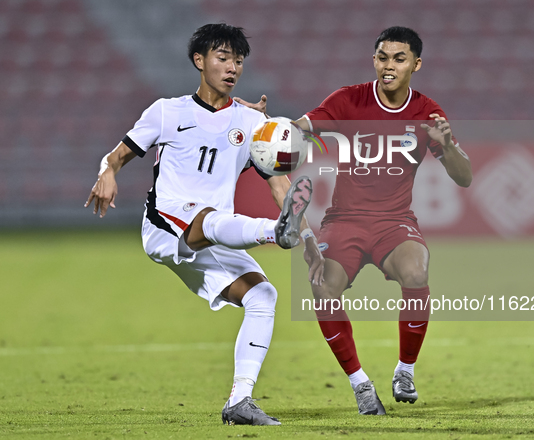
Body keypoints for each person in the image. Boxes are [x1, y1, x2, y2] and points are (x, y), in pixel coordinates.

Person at [85, 23, 323, 426]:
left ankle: (240, 402)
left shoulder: (251, 124)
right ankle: (270, 233)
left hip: (215, 235)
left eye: (239, 61)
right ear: (200, 61)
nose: (232, 68)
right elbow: (118, 155)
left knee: (263, 296)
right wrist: (106, 172)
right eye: (223, 58)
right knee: (212, 219)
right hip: (167, 225)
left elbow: (282, 187)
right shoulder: (167, 111)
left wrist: (310, 241)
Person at [236, 26, 472, 415]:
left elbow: (463, 177)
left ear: (416, 63)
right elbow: (300, 129)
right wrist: (269, 124)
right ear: (374, 60)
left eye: (399, 58)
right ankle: (360, 384)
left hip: (395, 222)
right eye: (382, 57)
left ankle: (405, 370)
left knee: (416, 270)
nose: (388, 66)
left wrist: (447, 147)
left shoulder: (427, 113)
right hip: (344, 221)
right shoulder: (348, 101)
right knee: (322, 284)